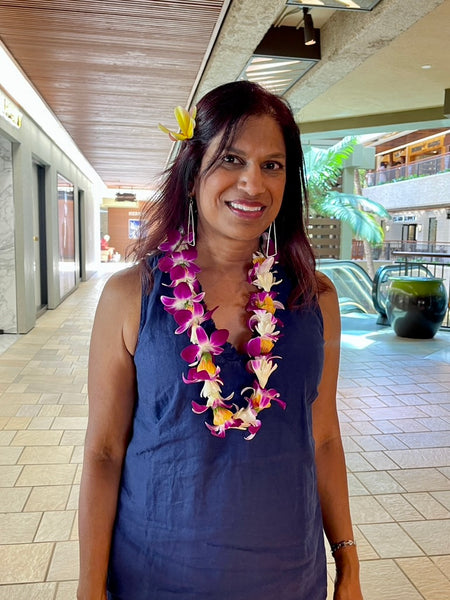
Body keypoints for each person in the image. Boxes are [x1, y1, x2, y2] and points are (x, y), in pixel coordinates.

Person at [78, 80, 363, 600]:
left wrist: (348, 562)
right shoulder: (130, 296)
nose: (252, 183)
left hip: (287, 578)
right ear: (192, 175)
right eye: (231, 159)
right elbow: (103, 452)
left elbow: (322, 438)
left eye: (272, 165)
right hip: (155, 576)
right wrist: (88, 587)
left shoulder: (315, 300)